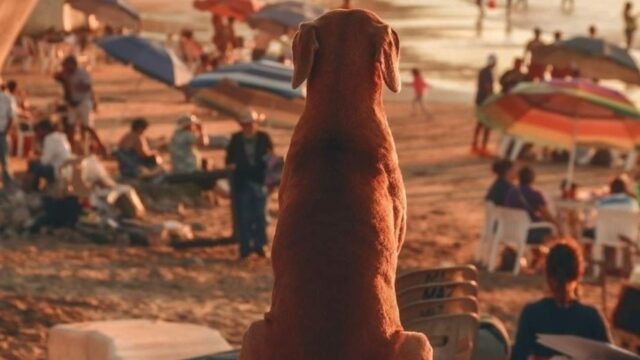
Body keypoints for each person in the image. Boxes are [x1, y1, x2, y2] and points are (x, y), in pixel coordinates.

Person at [511, 241, 611, 360]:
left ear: (547, 275)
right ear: (579, 274)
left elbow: (518, 356)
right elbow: (611, 356)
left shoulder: (532, 314)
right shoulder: (591, 317)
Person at [226, 110, 274, 259]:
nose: (248, 127)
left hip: (259, 181)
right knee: (244, 216)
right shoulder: (235, 139)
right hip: (243, 181)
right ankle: (245, 247)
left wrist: (270, 179)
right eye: (245, 124)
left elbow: (271, 158)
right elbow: (229, 160)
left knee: (260, 216)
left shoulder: (263, 138)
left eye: (250, 123)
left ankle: (260, 245)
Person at [505, 166, 560, 244]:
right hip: (528, 232)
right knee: (552, 229)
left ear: (518, 177)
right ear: (533, 178)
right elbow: (547, 216)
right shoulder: (535, 195)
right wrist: (558, 225)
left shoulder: (511, 192)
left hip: (512, 230)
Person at [53, 55, 96, 154]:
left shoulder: (82, 73)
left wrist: (74, 85)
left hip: (83, 102)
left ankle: (93, 146)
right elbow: (56, 76)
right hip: (72, 103)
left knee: (86, 126)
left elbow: (87, 86)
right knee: (70, 126)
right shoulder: (66, 74)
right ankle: (71, 148)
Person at [26, 119, 73, 191]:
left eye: (39, 131)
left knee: (33, 165)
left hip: (59, 171)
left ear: (44, 130)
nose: (37, 133)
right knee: (37, 164)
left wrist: (34, 158)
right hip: (66, 170)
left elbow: (44, 161)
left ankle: (33, 190)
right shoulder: (60, 136)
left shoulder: (49, 139)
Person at [472, 54, 496, 155]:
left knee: (480, 123)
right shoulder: (488, 72)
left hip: (479, 98)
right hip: (485, 100)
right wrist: (492, 98)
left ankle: (475, 144)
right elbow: (487, 87)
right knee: (486, 124)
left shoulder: (483, 71)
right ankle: (483, 146)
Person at [0, 90, 14, 187]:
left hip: (2, 133)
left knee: (4, 159)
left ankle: (8, 182)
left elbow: (11, 116)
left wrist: (6, 131)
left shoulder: (7, 98)